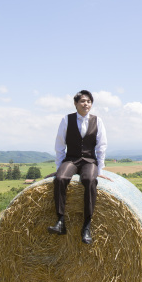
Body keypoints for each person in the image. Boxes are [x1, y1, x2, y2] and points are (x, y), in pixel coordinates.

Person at [48, 90, 109, 244]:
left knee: (89, 180)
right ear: (75, 104)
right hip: (72, 159)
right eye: (82, 101)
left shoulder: (98, 121)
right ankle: (60, 221)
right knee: (61, 178)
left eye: (88, 101)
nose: (85, 104)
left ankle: (86, 226)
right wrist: (59, 167)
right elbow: (59, 145)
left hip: (89, 161)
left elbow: (101, 147)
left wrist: (99, 170)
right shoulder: (66, 120)